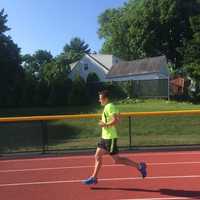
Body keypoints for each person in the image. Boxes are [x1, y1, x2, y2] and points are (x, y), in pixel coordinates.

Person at [82, 90, 147, 185]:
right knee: (97, 156)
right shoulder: (108, 107)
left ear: (106, 99)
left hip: (110, 138)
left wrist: (105, 124)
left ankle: (140, 166)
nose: (99, 100)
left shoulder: (110, 106)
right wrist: (106, 123)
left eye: (100, 99)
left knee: (117, 160)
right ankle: (94, 178)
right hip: (104, 138)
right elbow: (118, 117)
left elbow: (116, 120)